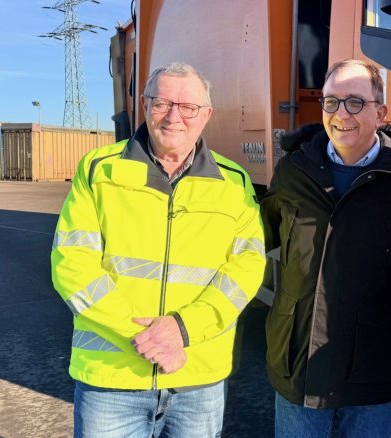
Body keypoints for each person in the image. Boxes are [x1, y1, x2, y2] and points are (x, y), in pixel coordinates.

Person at [51, 62, 266, 437]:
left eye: (188, 107)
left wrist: (182, 330)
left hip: (198, 379)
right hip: (113, 379)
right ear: (145, 104)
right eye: (162, 103)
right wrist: (148, 339)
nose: (174, 117)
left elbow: (245, 271)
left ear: (207, 115)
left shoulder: (234, 182)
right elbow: (72, 266)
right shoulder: (99, 170)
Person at [260, 59, 391, 438]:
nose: (341, 114)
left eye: (355, 102)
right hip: (298, 362)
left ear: (381, 113)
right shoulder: (292, 173)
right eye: (331, 102)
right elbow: (264, 236)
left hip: (372, 366)